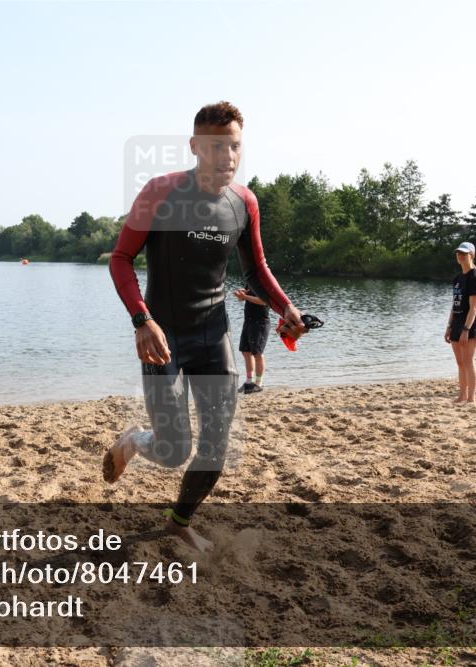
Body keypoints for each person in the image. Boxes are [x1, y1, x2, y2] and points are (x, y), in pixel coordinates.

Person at [104, 101, 307, 552]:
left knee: (216, 444)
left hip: (213, 334)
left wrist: (286, 308)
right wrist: (142, 320)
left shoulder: (244, 202)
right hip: (162, 337)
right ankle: (134, 440)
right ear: (195, 146)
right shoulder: (161, 193)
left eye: (234, 146)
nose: (227, 157)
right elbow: (121, 259)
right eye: (215, 147)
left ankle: (179, 522)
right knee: (174, 450)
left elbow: (256, 269)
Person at [444, 242, 476, 403]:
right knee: (460, 362)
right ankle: (462, 395)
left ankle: (471, 398)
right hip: (457, 321)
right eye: (458, 253)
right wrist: (449, 326)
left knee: (468, 360)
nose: (460, 256)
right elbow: (455, 305)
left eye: (464, 253)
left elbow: (474, 307)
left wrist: (466, 329)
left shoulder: (475, 277)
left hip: (471, 323)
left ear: (471, 255)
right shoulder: (457, 279)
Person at [234, 285, 270, 393]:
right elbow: (243, 299)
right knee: (245, 351)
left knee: (257, 353)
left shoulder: (264, 282)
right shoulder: (250, 281)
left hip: (260, 322)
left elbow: (263, 301)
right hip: (248, 321)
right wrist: (241, 295)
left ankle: (258, 383)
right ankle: (249, 382)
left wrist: (245, 297)